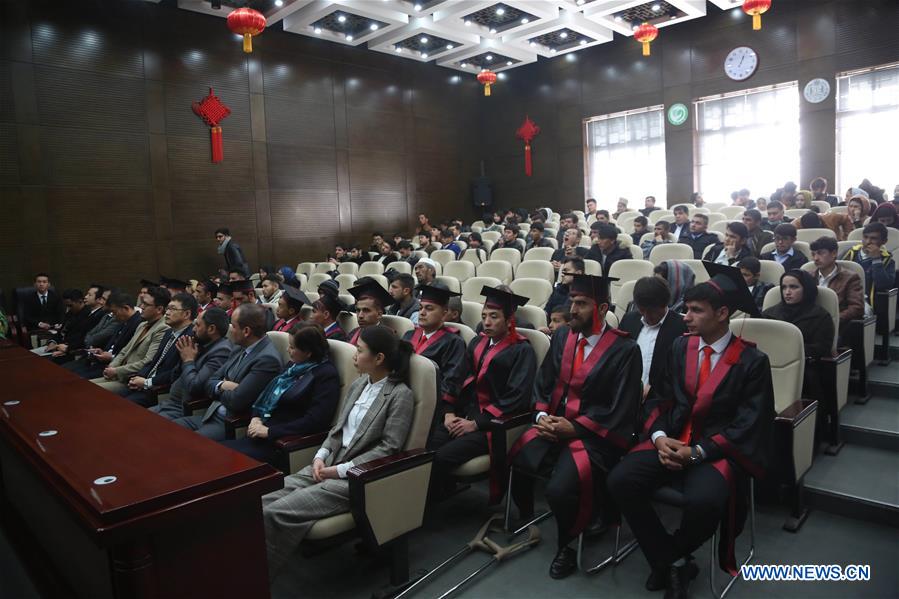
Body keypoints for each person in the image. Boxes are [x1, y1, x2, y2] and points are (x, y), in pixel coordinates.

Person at [607, 262, 773, 599]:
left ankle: (667, 559)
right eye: (687, 309)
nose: (686, 316)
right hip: (672, 439)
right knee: (620, 480)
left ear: (722, 314)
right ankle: (675, 562)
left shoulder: (752, 361)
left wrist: (696, 452)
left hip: (716, 451)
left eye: (696, 310)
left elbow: (749, 424)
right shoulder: (681, 347)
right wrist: (659, 438)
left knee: (705, 502)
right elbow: (660, 399)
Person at [510, 274, 642, 579]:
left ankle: (567, 546)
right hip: (554, 425)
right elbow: (543, 383)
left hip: (595, 436)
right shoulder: (562, 338)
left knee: (559, 490)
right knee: (515, 456)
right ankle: (528, 518)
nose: (573, 309)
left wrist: (575, 428)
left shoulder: (625, 350)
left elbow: (621, 408)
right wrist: (541, 417)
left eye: (581, 303)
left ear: (603, 308)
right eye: (572, 302)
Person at [262, 326, 414, 580]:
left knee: (274, 512)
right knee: (260, 500)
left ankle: (257, 579)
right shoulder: (359, 384)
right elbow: (338, 430)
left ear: (379, 358)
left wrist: (341, 470)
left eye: (360, 350)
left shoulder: (400, 395)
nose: (354, 355)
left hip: (356, 478)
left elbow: (389, 448)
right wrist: (320, 456)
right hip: (329, 463)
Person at [429, 286, 537, 499]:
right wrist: (449, 412)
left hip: (491, 425)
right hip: (463, 416)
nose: (487, 322)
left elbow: (516, 398)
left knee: (442, 457)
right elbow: (457, 379)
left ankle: (431, 504)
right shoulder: (478, 343)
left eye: (494, 317)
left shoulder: (522, 350)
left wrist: (475, 424)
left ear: (509, 320)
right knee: (426, 448)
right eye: (484, 316)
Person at [221, 323, 340, 467]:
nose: (287, 350)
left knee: (223, 460)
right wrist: (256, 417)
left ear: (308, 352)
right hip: (261, 434)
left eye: (292, 347)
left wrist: (270, 431)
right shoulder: (293, 367)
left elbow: (315, 421)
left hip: (283, 442)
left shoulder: (326, 375)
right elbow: (267, 395)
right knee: (217, 452)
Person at [172, 303, 283, 440]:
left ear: (246, 331)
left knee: (185, 442)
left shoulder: (267, 360)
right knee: (170, 428)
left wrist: (218, 387)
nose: (230, 331)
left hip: (231, 423)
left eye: (234, 327)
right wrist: (223, 385)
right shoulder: (239, 347)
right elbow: (209, 383)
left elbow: (236, 401)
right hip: (210, 415)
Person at [151, 307, 233, 420]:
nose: (193, 329)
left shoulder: (222, 351)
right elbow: (174, 376)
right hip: (169, 403)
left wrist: (188, 360)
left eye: (198, 325)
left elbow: (194, 387)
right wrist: (184, 354)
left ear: (211, 329)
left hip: (185, 409)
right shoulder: (201, 344)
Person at [117, 292, 197, 407]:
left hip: (160, 391)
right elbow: (154, 361)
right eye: (167, 308)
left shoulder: (190, 339)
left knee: (122, 405)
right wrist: (139, 377)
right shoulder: (169, 332)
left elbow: (175, 372)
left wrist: (147, 382)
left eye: (173, 309)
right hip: (145, 383)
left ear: (187, 314)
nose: (167, 313)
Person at [403, 285, 468, 416]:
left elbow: (450, 383)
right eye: (420, 308)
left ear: (444, 313)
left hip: (430, 405)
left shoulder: (454, 343)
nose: (422, 313)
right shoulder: (408, 335)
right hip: (401, 397)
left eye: (429, 308)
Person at [91, 287, 171, 393]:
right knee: (84, 385)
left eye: (146, 304)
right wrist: (112, 366)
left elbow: (147, 361)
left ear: (159, 309)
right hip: (119, 374)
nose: (141, 307)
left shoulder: (163, 328)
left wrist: (117, 371)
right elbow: (125, 350)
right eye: (142, 303)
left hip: (133, 380)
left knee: (90, 391)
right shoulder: (142, 325)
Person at [619, 276, 687, 402]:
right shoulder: (629, 320)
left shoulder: (681, 327)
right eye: (642, 310)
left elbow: (681, 373)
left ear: (665, 304)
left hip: (661, 402)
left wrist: (654, 391)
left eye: (652, 311)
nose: (647, 315)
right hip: (625, 397)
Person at [65, 292, 142, 379]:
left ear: (126, 308)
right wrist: (102, 351)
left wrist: (111, 357)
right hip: (103, 362)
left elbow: (129, 355)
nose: (114, 316)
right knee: (68, 371)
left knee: (75, 377)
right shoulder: (123, 320)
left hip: (115, 368)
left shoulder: (138, 324)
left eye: (114, 312)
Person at [763, 270, 834, 360]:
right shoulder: (769, 314)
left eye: (793, 287)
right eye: (784, 287)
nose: (787, 292)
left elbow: (822, 349)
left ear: (806, 289)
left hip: (806, 364)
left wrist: (787, 348)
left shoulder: (821, 316)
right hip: (770, 363)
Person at [810, 237, 864, 335]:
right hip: (811, 324)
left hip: (837, 327)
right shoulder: (808, 277)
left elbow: (857, 307)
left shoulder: (850, 278)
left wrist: (833, 319)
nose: (816, 258)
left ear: (834, 253)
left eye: (821, 253)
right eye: (813, 254)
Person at [45, 285, 107, 363]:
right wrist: (53, 341)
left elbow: (83, 338)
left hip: (73, 350)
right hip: (62, 347)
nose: (85, 297)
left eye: (89, 295)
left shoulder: (91, 315)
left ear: (80, 301)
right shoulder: (70, 313)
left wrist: (67, 349)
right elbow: (61, 331)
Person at [840, 222, 896, 308]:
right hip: (845, 298)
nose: (868, 242)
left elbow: (883, 286)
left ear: (884, 241)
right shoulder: (849, 253)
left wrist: (876, 260)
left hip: (868, 303)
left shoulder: (888, 261)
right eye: (865, 237)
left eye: (873, 238)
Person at [346, 278, 393, 345]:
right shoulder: (353, 332)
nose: (360, 316)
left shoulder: (386, 337)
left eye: (366, 310)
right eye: (358, 310)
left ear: (379, 314)